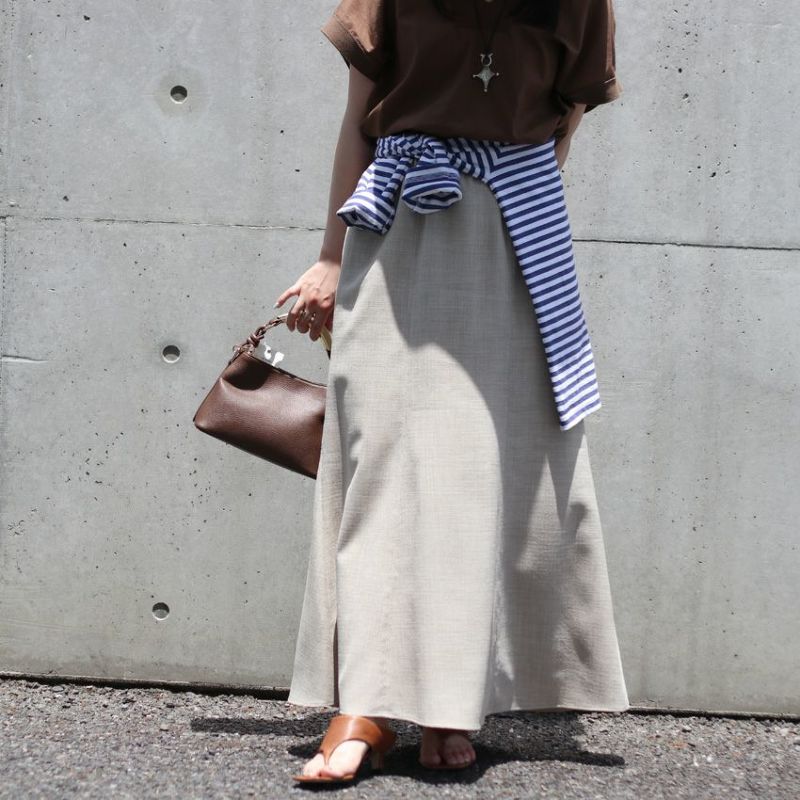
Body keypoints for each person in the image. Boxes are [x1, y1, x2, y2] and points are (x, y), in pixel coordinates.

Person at [273, 0, 628, 785]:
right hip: (398, 226)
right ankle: (364, 703)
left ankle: (449, 703)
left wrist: (508, 189)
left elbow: (565, 121)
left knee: (483, 475)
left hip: (512, 239)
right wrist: (330, 255)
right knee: (381, 467)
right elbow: (359, 119)